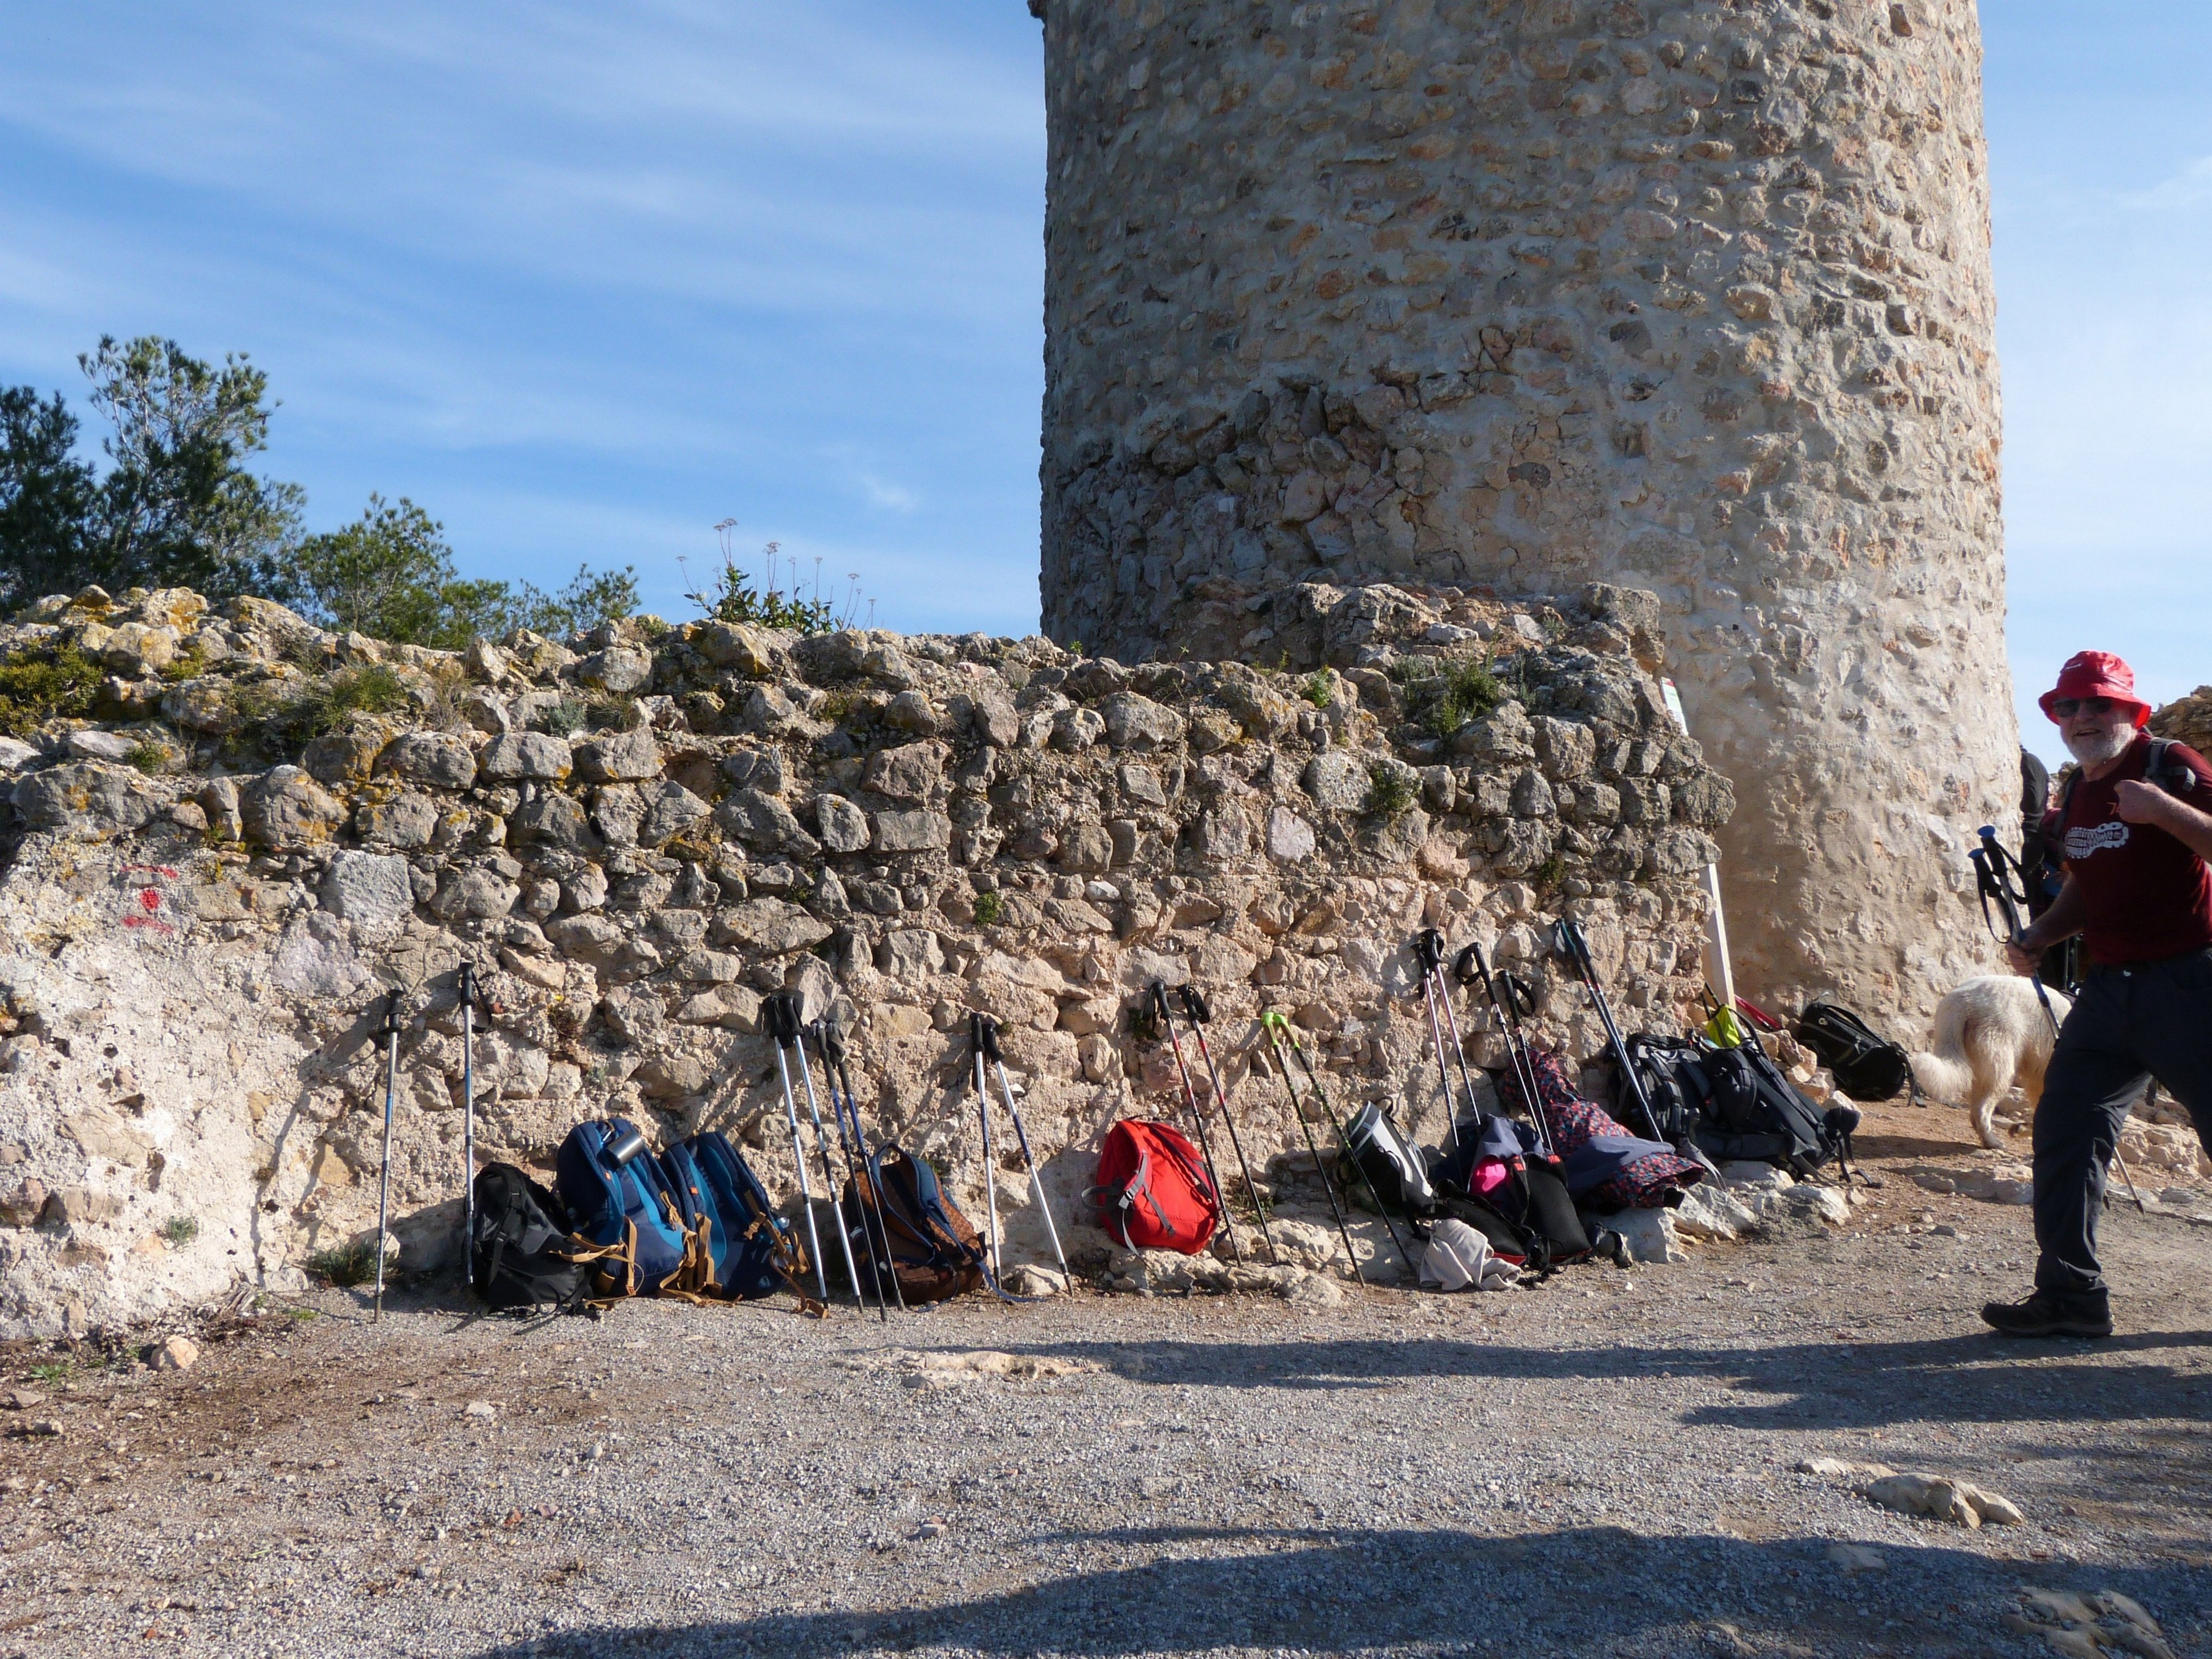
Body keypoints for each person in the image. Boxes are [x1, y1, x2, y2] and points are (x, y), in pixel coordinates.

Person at [1983, 651, 2212, 1338]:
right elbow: (2086, 883)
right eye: (2068, 706)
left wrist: (2163, 810)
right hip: (2108, 992)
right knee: (2064, 1131)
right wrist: (2041, 934)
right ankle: (2070, 1297)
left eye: (2097, 704)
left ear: (2130, 712)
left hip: (2190, 983)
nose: (2081, 717)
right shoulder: (2078, 790)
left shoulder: (2168, 766)